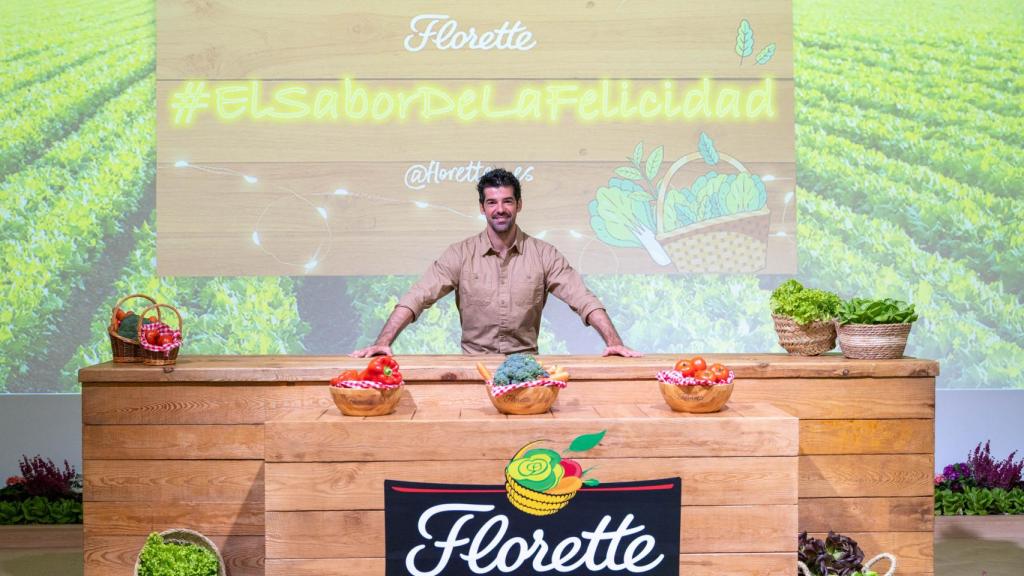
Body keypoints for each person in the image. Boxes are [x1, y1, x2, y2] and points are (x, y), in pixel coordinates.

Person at [351, 168, 641, 358]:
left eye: (507, 201)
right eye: (492, 202)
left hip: (526, 369)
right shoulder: (460, 254)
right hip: (472, 370)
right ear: (482, 207)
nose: (500, 209)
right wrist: (383, 341)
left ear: (519, 205)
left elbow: (584, 299)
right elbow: (416, 297)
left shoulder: (544, 254)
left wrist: (613, 342)